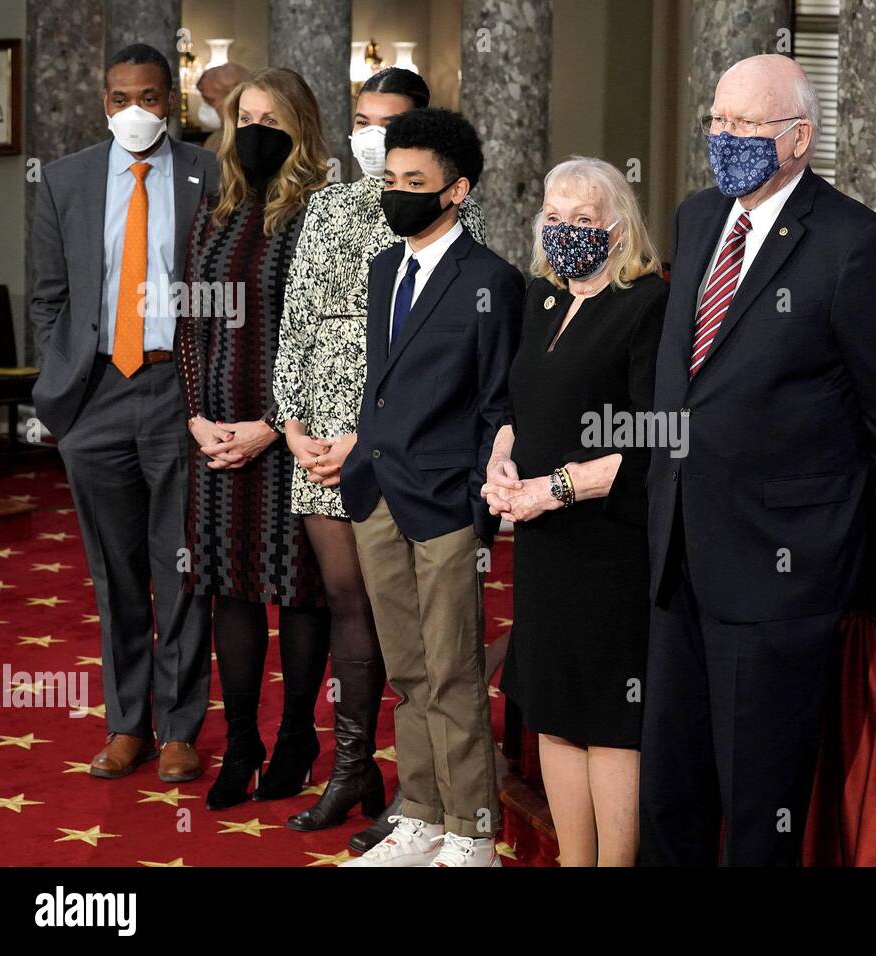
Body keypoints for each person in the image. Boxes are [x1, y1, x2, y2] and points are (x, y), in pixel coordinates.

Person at [640, 54, 876, 866]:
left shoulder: (853, 245)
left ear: (799, 138)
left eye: (745, 124)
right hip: (677, 556)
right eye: (717, 120)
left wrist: (834, 521)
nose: (723, 137)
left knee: (758, 805)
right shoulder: (698, 217)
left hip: (779, 572)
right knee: (671, 793)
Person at [272, 67, 486, 848]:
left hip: (402, 451)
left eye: (389, 121)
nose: (373, 136)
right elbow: (293, 318)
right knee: (349, 606)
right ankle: (359, 770)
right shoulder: (329, 208)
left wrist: (372, 435)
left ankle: (433, 803)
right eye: (361, 120)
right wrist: (288, 420)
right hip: (320, 441)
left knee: (421, 636)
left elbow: (452, 358)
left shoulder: (453, 225)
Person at [339, 108, 522, 868]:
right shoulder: (384, 268)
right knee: (409, 671)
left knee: (452, 671)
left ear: (456, 190)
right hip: (376, 493)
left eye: (415, 183)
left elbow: (498, 404)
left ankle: (472, 829)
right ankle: (420, 813)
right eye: (390, 181)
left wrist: (480, 508)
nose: (397, 195)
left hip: (446, 503)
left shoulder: (491, 281)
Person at [29, 43, 217, 784]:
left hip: (180, 393)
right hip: (96, 396)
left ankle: (179, 729)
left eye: (147, 96)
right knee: (116, 573)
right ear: (103, 102)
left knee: (183, 567)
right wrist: (62, 387)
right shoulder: (67, 179)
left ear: (170, 100)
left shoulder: (209, 176)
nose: (133, 110)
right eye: (118, 98)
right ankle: (126, 725)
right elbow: (50, 296)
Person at [483, 157, 667, 866]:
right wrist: (502, 460)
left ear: (618, 231)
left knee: (611, 721)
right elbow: (516, 406)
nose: (566, 233)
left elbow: (652, 439)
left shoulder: (646, 303)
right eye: (554, 220)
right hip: (544, 542)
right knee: (555, 713)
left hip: (610, 541)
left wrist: (551, 488)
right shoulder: (541, 297)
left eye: (583, 221)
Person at [175, 67, 332, 811]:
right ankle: (242, 742)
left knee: (299, 593)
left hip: (290, 438)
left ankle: (298, 738)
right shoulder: (217, 207)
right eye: (247, 116)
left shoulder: (322, 212)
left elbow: (333, 337)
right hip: (215, 438)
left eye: (272, 117)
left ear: (300, 124)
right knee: (230, 592)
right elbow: (186, 324)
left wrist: (273, 427)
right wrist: (198, 419)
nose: (257, 129)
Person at [195, 62, 249, 152]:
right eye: (204, 99)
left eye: (210, 100)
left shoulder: (252, 139)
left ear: (234, 98)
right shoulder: (214, 141)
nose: (206, 105)